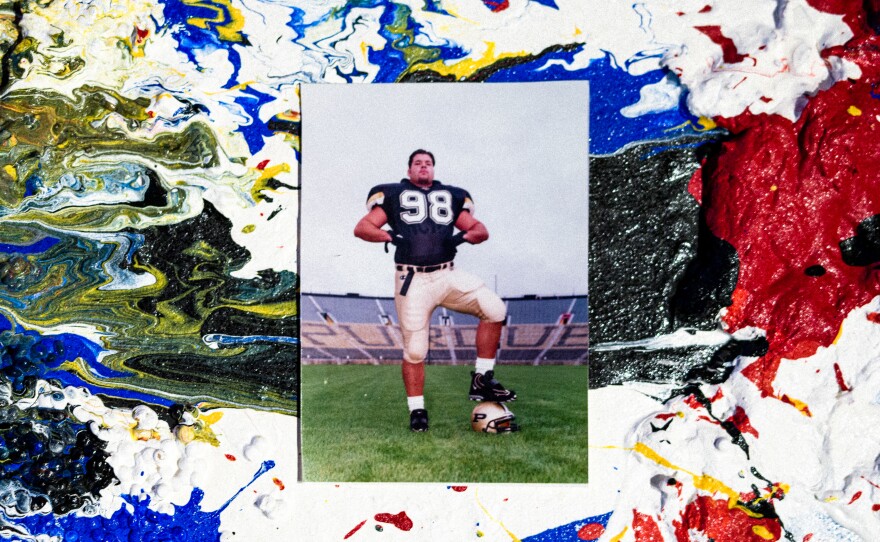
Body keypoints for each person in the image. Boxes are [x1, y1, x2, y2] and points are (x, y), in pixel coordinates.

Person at [354, 149, 516, 432]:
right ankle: (417, 410)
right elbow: (363, 227)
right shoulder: (393, 194)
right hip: (412, 280)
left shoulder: (450, 196)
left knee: (495, 308)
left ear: (433, 169)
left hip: (447, 274)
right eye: (418, 163)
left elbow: (480, 230)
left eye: (428, 163)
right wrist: (390, 236)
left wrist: (460, 238)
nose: (423, 167)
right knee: (415, 351)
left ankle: (482, 378)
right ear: (409, 170)